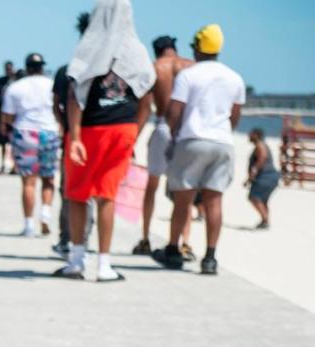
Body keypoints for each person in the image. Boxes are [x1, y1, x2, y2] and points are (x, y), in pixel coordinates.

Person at [54, 0, 155, 282]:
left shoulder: (90, 46)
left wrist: (73, 137)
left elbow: (76, 95)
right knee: (106, 196)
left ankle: (76, 260)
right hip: (122, 128)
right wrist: (136, 130)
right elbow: (146, 96)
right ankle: (104, 265)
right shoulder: (136, 50)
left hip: (89, 130)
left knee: (77, 194)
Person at [152, 23, 245, 275]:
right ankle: (210, 257)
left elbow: (174, 111)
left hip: (192, 139)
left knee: (183, 199)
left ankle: (173, 249)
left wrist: (174, 135)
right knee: (214, 201)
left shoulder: (189, 75)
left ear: (198, 49)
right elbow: (235, 116)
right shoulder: (234, 77)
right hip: (222, 143)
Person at [131, 36, 195, 258]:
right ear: (175, 48)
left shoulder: (154, 68)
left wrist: (132, 139)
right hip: (188, 130)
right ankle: (185, 242)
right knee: (184, 190)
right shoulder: (192, 66)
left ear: (156, 50)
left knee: (152, 186)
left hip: (163, 127)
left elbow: (145, 108)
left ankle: (146, 238)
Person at [1, 53, 59, 237]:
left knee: (28, 181)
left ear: (26, 68)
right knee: (49, 179)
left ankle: (28, 225)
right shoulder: (52, 85)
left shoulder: (15, 87)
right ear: (42, 67)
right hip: (49, 132)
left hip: (25, 132)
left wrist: (6, 130)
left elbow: (7, 116)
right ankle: (45, 215)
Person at [51, 11, 92, 258]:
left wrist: (66, 126)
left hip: (72, 138)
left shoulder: (67, 69)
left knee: (70, 190)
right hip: (98, 134)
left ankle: (68, 238)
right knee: (94, 194)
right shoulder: (110, 67)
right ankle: (84, 239)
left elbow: (57, 104)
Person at [245, 127, 279, 229]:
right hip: (271, 177)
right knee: (262, 200)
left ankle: (265, 220)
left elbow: (261, 159)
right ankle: (265, 220)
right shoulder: (261, 145)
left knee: (254, 197)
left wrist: (252, 175)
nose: (249, 136)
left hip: (266, 177)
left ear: (256, 135)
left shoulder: (260, 145)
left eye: (251, 134)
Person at [0, 61, 16, 174]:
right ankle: (2, 164)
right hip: (2, 115)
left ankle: (13, 166)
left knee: (14, 144)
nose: (8, 70)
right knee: (2, 143)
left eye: (10, 68)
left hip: (14, 118)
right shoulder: (0, 82)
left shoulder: (16, 82)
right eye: (7, 68)